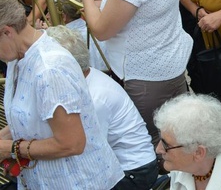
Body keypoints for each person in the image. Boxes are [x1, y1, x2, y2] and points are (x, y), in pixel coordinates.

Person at [78, 0, 193, 144]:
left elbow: (100, 30)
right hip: (165, 69)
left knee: (155, 145)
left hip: (147, 78)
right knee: (174, 140)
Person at [0, 0, 124, 189]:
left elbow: (72, 143)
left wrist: (12, 149)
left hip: (77, 182)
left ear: (7, 32)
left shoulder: (50, 69)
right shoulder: (18, 55)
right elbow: (31, 117)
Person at [45, 26, 158, 190]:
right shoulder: (84, 79)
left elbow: (84, 151)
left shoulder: (95, 97)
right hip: (119, 162)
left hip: (133, 172)